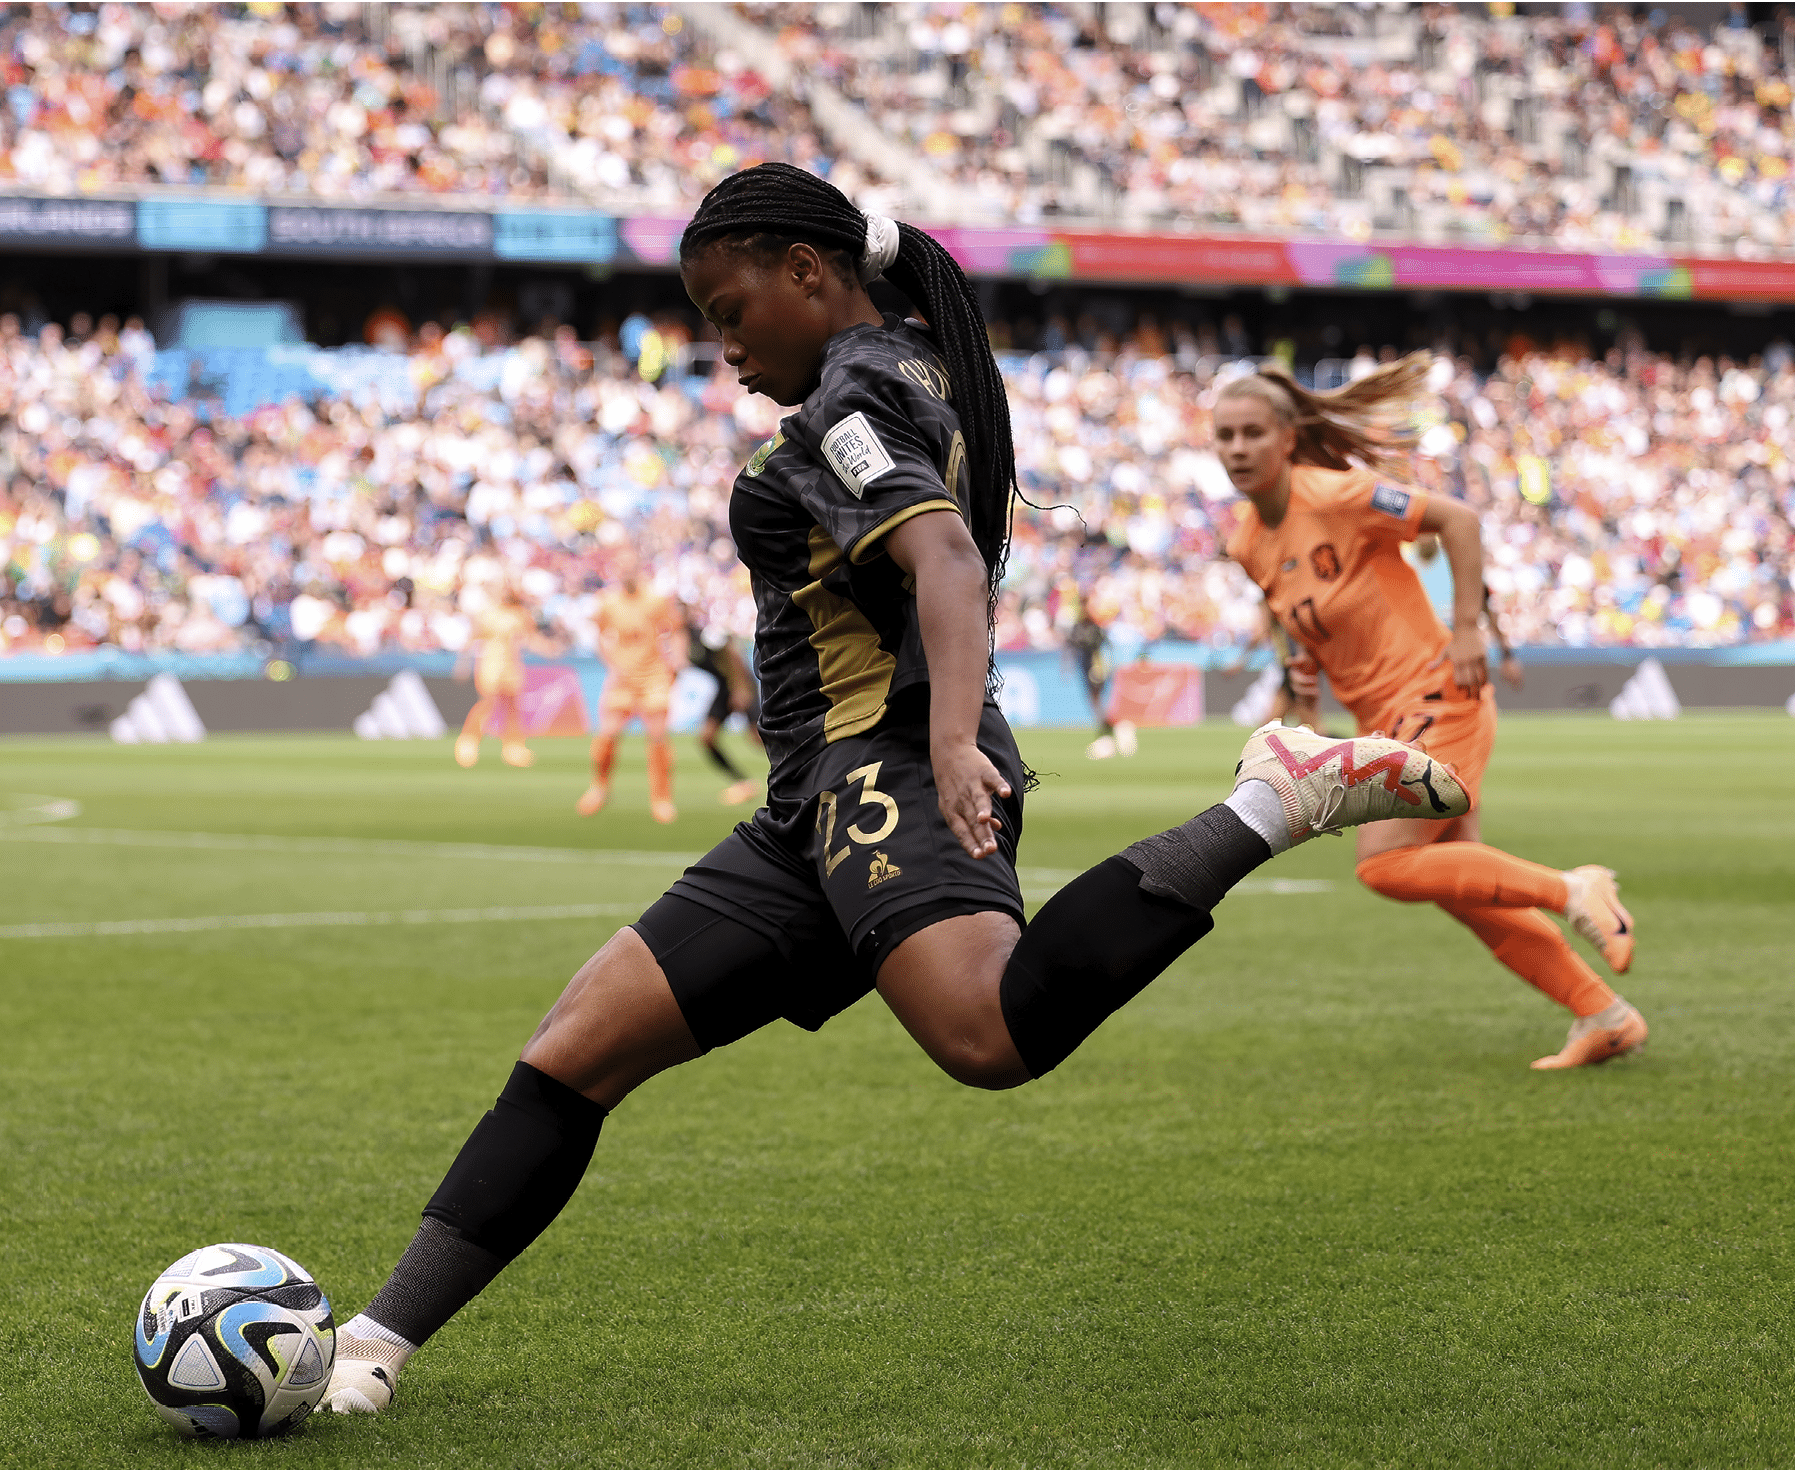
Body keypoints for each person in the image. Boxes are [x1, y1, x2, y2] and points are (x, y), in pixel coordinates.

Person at [322, 163, 1469, 1416]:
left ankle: (1272, 801)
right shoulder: (908, 365)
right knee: (570, 1055)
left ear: (807, 273)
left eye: (729, 310)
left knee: (985, 1033)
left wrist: (949, 743)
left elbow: (942, 554)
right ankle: (369, 1351)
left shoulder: (854, 392)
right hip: (810, 802)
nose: (725, 347)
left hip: (889, 767)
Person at [1216, 357, 1643, 1071]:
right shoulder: (1245, 543)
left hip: (1434, 692)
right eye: (1224, 435)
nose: (1236, 449)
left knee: (1385, 866)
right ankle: (1603, 1015)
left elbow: (1457, 518)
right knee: (1463, 885)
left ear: (1287, 439)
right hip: (1383, 721)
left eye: (1252, 433)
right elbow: (1293, 619)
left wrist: (1468, 626)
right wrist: (1302, 694)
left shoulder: (1339, 493)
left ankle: (1576, 888)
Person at [577, 550, 683, 824]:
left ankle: (661, 799)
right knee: (607, 735)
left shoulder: (656, 600)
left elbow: (677, 628)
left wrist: (677, 662)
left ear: (639, 570)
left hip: (653, 676)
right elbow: (599, 634)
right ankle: (599, 788)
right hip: (622, 678)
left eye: (631, 569)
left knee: (658, 737)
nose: (627, 574)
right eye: (622, 569)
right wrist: (611, 661)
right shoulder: (608, 602)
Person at [454, 586, 548, 770]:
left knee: (512, 705)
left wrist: (549, 649)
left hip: (512, 664)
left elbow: (531, 638)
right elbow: (472, 638)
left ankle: (513, 747)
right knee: (486, 704)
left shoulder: (520, 614)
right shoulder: (488, 614)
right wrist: (462, 663)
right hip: (491, 663)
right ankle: (468, 742)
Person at [685, 606, 762, 806]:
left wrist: (740, 690)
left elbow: (734, 660)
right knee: (707, 738)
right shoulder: (686, 639)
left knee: (759, 738)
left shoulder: (710, 640)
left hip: (741, 685)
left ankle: (796, 771)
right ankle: (743, 783)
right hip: (724, 688)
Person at [1066, 609, 1136, 759]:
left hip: (1095, 667)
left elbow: (1104, 648)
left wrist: (1103, 667)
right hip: (1087, 667)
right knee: (1095, 702)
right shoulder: (1079, 629)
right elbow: (1071, 646)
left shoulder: (1094, 630)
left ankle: (1113, 730)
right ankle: (1113, 729)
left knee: (1096, 700)